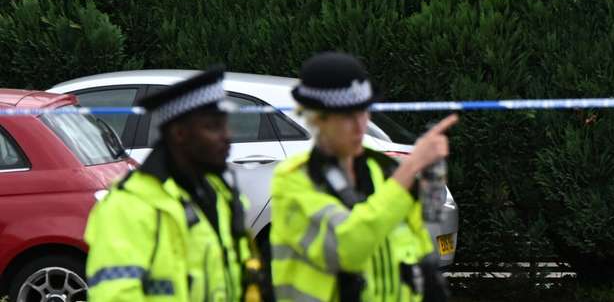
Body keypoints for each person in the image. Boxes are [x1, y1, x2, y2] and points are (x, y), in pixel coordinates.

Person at [269, 52, 456, 302]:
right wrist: (409, 170)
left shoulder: (382, 170)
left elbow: (419, 253)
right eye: (347, 116)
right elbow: (348, 249)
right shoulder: (295, 179)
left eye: (363, 112)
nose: (360, 125)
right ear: (317, 118)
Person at [85, 69, 261, 302]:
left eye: (225, 125)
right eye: (213, 127)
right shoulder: (129, 206)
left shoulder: (219, 193)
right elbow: (114, 296)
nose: (227, 136)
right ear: (179, 134)